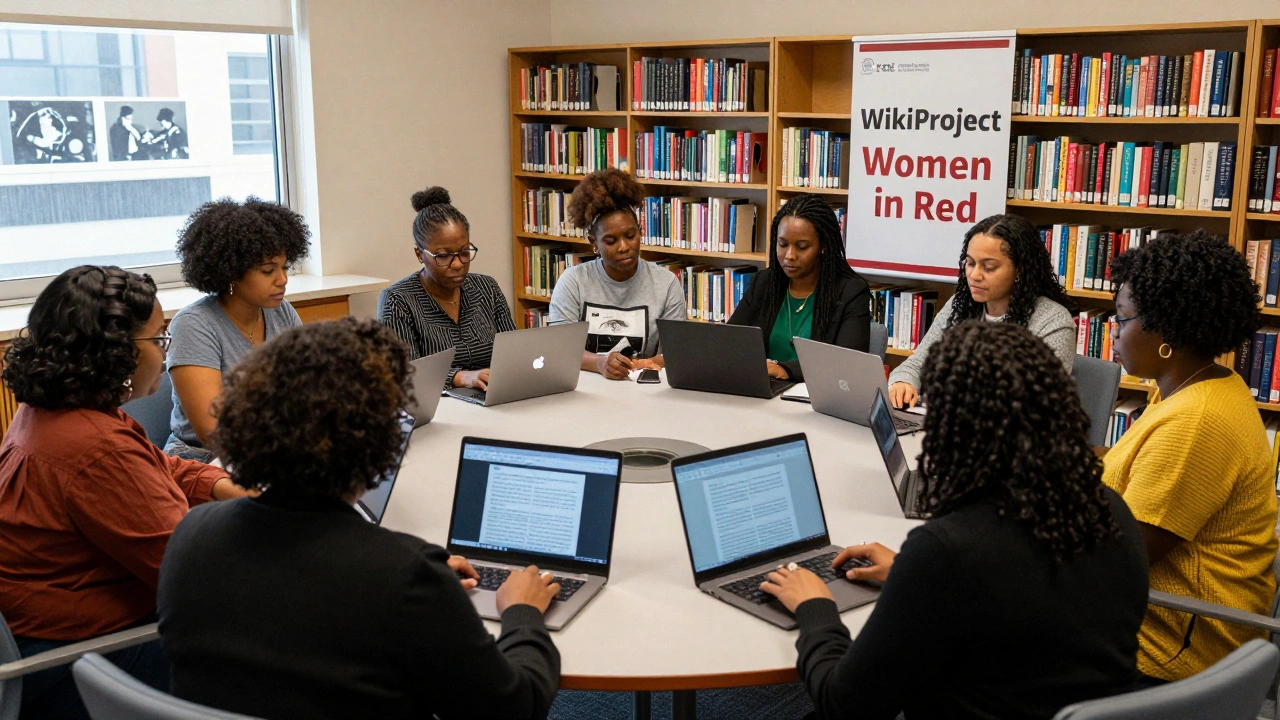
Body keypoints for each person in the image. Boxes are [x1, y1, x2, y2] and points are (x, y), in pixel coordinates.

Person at [157, 318, 562, 720]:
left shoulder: (191, 534)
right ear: (381, 443)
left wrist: (422, 577)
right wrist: (521, 612)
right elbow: (515, 710)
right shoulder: (403, 577)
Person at [762, 321, 1149, 719]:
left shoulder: (950, 551)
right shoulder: (1108, 507)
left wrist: (815, 607)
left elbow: (845, 706)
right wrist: (908, 575)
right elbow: (1020, 599)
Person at [0, 266, 243, 720]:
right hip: (75, 659)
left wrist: (229, 487)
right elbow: (194, 581)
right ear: (117, 352)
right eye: (158, 340)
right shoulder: (95, 447)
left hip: (48, 632)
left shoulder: (55, 409)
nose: (165, 353)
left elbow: (156, 466)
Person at [1104, 230, 1277, 683]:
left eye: (1122, 318)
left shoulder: (1196, 422)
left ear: (1167, 329)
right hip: (1159, 625)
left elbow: (1113, 559)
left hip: (1164, 650)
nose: (1114, 329)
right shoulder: (1199, 385)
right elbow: (1132, 466)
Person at [165, 197, 311, 462]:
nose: (283, 280)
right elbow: (213, 430)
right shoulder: (194, 325)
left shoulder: (281, 312)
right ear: (232, 272)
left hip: (275, 447)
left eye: (285, 267)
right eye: (268, 271)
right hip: (203, 460)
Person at [887, 213, 1075, 409]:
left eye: (989, 267)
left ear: (1020, 270)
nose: (974, 275)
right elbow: (916, 364)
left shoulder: (1052, 321)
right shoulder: (959, 306)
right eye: (970, 263)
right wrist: (903, 383)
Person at [548, 168, 685, 380]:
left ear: (640, 231)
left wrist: (639, 364)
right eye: (610, 241)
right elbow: (560, 349)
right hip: (586, 391)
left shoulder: (665, 283)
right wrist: (600, 363)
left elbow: (675, 353)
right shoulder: (573, 281)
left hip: (641, 388)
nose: (623, 247)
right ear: (593, 242)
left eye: (631, 236)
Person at [379, 186, 516, 391]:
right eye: (443, 256)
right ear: (419, 254)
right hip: (439, 409)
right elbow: (402, 374)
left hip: (493, 397)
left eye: (464, 252)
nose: (458, 264)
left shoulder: (487, 289)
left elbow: (513, 351)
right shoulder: (398, 300)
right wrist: (458, 377)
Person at [727, 193, 870, 382]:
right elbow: (729, 341)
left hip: (814, 399)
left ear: (823, 246)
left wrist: (786, 370)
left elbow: (848, 364)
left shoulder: (849, 292)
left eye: (802, 247)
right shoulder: (765, 282)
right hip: (762, 391)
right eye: (782, 244)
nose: (789, 255)